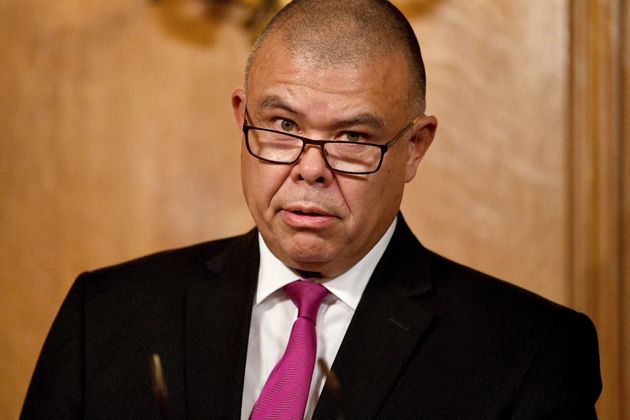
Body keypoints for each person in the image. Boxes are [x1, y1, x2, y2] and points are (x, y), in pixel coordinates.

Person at [22, 0, 601, 418]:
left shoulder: (530, 351)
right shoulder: (104, 316)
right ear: (240, 118)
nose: (310, 167)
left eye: (352, 137)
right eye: (282, 126)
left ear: (415, 147)